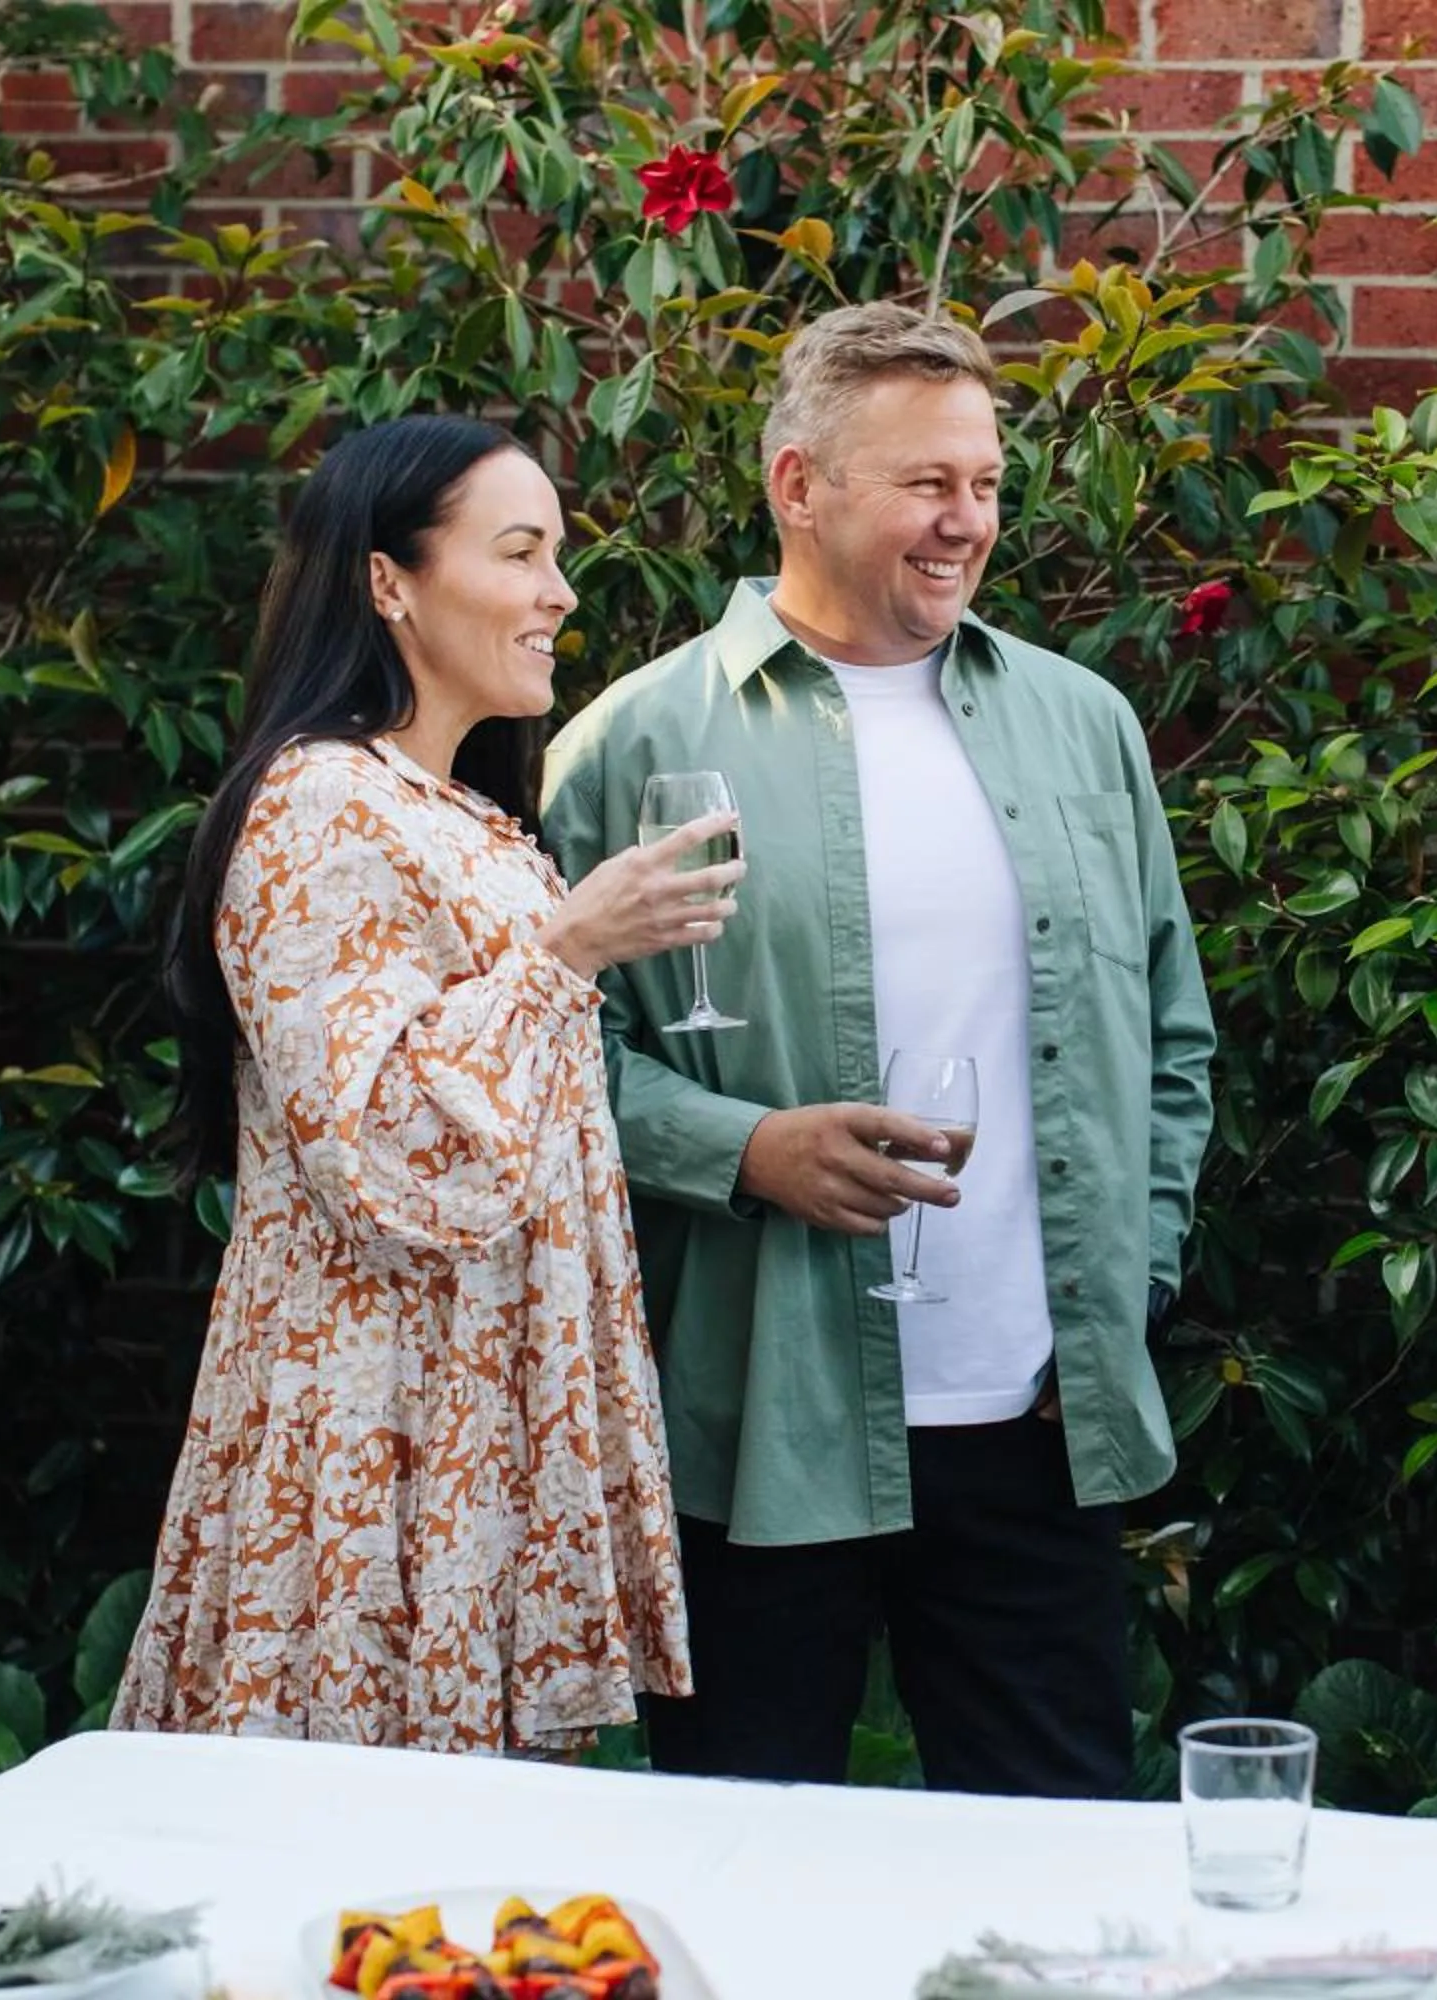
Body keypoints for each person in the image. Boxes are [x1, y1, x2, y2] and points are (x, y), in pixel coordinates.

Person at [542, 303, 1215, 1798]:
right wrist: (747, 1153)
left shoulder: (1081, 725)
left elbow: (1170, 1036)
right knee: (742, 1873)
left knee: (1060, 1874)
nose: (965, 520)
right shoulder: (629, 746)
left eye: (981, 482)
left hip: (1035, 1419)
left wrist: (1133, 1277)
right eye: (926, 483)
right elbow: (544, 1054)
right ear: (800, 487)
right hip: (760, 1420)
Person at [114, 415, 742, 1757]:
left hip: (478, 1415)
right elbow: (384, 1158)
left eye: (558, 554)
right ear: (389, 581)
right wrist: (573, 948)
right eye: (520, 552)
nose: (560, 591)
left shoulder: (452, 809)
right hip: (384, 1426)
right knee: (368, 1878)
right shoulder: (319, 806)